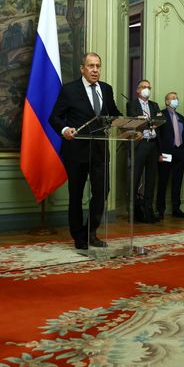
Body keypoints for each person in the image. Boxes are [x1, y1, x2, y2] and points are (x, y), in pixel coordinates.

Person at [49, 52, 121, 250]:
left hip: (99, 150)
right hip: (76, 150)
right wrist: (65, 130)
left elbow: (114, 114)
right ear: (82, 68)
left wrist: (132, 125)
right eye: (91, 66)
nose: (95, 70)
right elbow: (54, 117)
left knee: (101, 192)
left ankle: (91, 232)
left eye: (98, 66)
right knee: (76, 194)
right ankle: (78, 237)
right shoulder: (69, 90)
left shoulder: (106, 89)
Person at [126, 79, 160, 223]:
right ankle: (134, 213)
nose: (147, 89)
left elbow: (160, 120)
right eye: (144, 87)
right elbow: (133, 121)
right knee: (135, 178)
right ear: (137, 90)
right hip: (139, 144)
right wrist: (143, 121)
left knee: (151, 180)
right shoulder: (132, 104)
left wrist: (149, 121)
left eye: (148, 87)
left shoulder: (154, 105)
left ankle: (148, 212)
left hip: (153, 145)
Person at [156, 91, 184, 219]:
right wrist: (159, 153)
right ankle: (160, 210)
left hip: (180, 152)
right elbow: (158, 136)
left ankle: (176, 208)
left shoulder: (180, 117)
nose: (176, 100)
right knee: (163, 182)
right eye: (173, 98)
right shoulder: (160, 115)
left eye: (177, 98)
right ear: (167, 101)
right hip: (166, 153)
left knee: (177, 181)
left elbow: (183, 135)